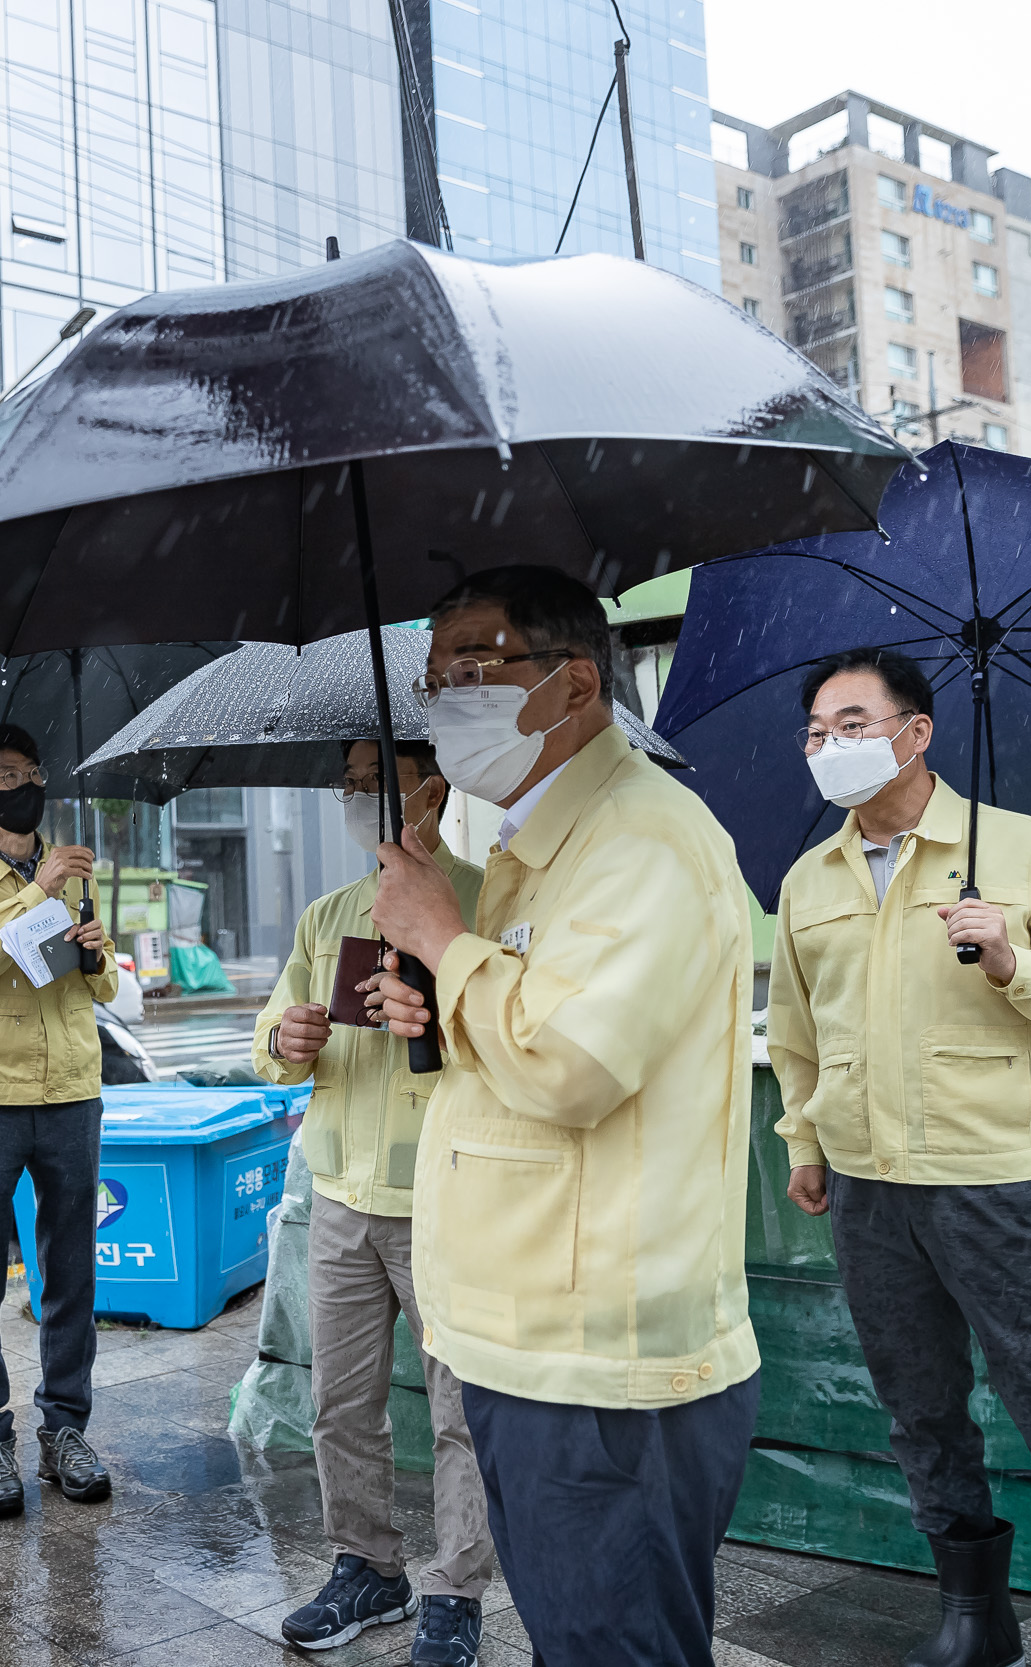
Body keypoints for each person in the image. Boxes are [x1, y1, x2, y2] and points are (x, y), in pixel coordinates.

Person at [372, 566, 759, 1667]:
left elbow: (574, 1062)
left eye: (473, 667)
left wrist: (446, 942)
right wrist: (442, 995)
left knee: (610, 1645)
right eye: (433, 675)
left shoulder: (641, 835)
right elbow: (531, 1023)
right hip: (532, 1345)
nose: (444, 696)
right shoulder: (533, 846)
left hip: (598, 1363)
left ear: (573, 683)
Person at [766, 648, 1031, 1667]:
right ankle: (975, 1620)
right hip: (863, 1182)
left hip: (989, 1178)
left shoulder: (1017, 848)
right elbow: (797, 1031)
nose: (828, 745)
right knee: (920, 1409)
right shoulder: (808, 878)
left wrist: (1010, 956)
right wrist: (805, 1140)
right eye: (815, 730)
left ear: (916, 730)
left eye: (851, 722)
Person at [256, 739, 495, 1667]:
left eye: (376, 783)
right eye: (350, 784)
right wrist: (289, 1034)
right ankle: (367, 1564)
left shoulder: (484, 900)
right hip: (342, 1195)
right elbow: (268, 1040)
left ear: (431, 790)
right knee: (340, 1399)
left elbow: (521, 1038)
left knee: (458, 1409)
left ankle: (456, 1586)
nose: (358, 798)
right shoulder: (328, 917)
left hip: (449, 1193)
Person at [0, 722, 119, 1519]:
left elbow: (99, 991)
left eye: (34, 771)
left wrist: (100, 952)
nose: (27, 784)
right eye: (9, 774)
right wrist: (37, 896)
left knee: (71, 1269)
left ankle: (65, 1427)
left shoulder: (71, 867)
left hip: (71, 1085)